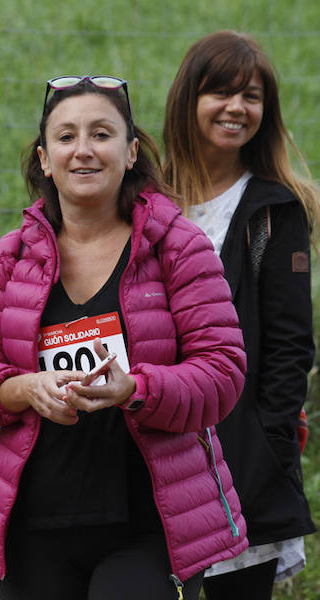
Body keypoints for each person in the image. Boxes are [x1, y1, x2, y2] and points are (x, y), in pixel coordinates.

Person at [0, 75, 249, 599]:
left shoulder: (179, 247)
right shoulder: (11, 257)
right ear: (44, 158)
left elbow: (222, 374)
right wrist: (24, 388)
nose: (83, 150)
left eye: (101, 134)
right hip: (35, 525)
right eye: (65, 137)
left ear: (131, 152)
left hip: (153, 523)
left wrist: (134, 388)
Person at [163, 30, 318, 599]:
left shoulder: (276, 210)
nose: (236, 108)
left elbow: (290, 346)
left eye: (251, 96)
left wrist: (266, 445)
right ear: (189, 99)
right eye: (221, 92)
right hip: (148, 445)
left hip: (240, 459)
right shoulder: (147, 198)